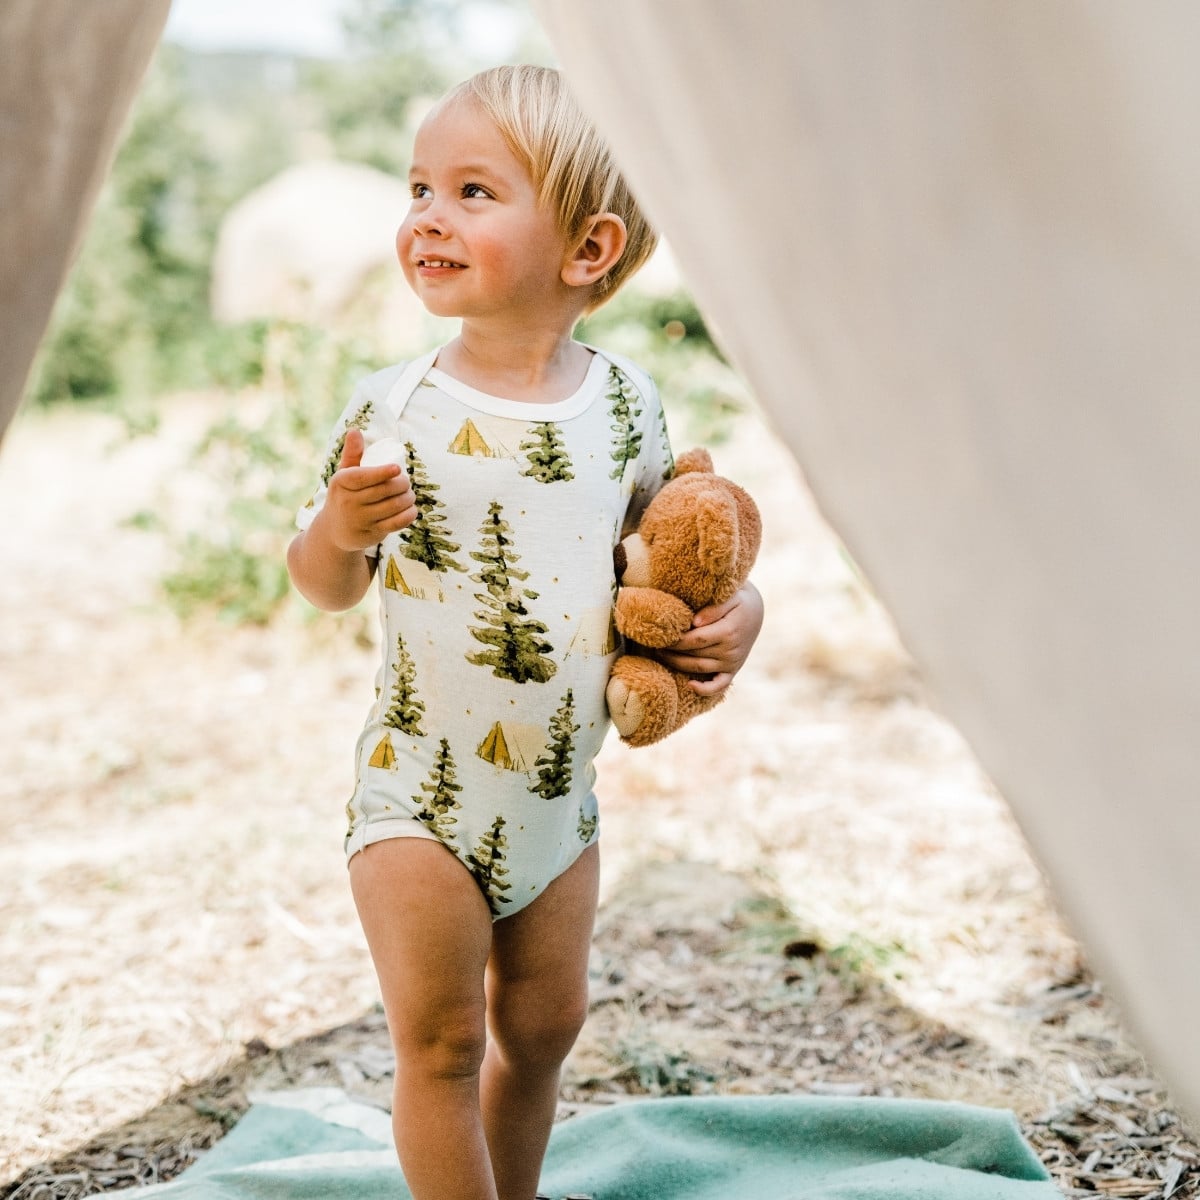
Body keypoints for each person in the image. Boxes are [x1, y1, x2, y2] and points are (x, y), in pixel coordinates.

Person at [287, 64, 764, 1200]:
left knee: (545, 1029)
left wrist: (740, 617)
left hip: (560, 796)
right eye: (418, 187)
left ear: (588, 249)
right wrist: (338, 529)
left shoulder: (624, 406)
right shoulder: (393, 405)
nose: (426, 217)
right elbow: (324, 585)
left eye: (471, 191)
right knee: (443, 1044)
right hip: (420, 791)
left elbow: (676, 553)